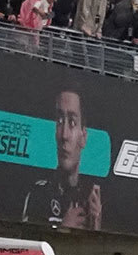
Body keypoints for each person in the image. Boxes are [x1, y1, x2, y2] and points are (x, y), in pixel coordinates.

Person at [22, 90, 101, 229]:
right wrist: (63, 229)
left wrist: (97, 226)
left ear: (83, 137)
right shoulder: (39, 194)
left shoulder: (91, 199)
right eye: (59, 121)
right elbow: (28, 245)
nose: (64, 135)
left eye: (72, 122)